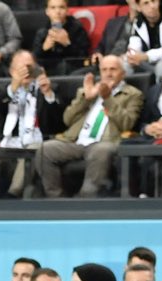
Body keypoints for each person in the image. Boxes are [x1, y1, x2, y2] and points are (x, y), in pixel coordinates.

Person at [35, 52, 139, 197]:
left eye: (113, 69)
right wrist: (86, 97)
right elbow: (67, 119)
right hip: (76, 142)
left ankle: (85, 198)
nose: (108, 74)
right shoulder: (88, 90)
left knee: (101, 150)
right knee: (45, 149)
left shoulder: (133, 94)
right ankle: (56, 198)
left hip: (104, 142)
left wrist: (107, 98)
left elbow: (126, 123)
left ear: (123, 73)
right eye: (104, 70)